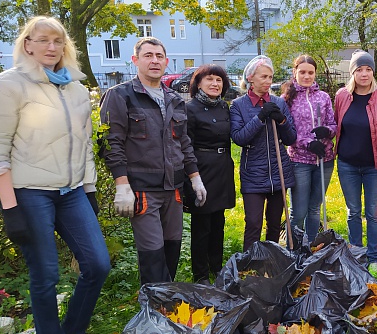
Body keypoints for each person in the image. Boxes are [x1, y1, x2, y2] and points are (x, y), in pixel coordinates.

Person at [0, 16, 111, 334]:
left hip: (72, 193)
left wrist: (90, 187)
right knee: (46, 273)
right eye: (43, 40)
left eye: (58, 41)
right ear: (27, 45)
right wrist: (10, 207)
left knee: (97, 263)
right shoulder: (8, 86)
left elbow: (83, 144)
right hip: (30, 193)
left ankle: (75, 330)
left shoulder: (76, 89)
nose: (52, 47)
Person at [99, 37, 206, 285]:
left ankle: (165, 301)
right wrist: (121, 184)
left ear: (166, 62)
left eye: (159, 56)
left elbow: (184, 142)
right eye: (148, 55)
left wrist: (195, 178)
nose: (154, 61)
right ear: (135, 60)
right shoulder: (120, 96)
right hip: (142, 189)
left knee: (172, 247)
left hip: (174, 189)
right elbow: (110, 142)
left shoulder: (175, 99)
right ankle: (152, 308)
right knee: (152, 251)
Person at [334, 50, 377, 277]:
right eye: (359, 69)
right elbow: (335, 125)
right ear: (352, 72)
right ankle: (356, 253)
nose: (364, 73)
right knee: (353, 212)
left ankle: (373, 258)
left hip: (373, 167)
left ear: (373, 72)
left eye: (368, 69)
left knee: (372, 213)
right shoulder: (342, 96)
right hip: (347, 165)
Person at [230, 55, 297, 251]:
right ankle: (249, 265)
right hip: (253, 173)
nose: (268, 81)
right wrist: (260, 117)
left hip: (278, 171)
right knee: (253, 223)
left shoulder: (279, 103)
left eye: (270, 77)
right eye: (263, 77)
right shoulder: (238, 106)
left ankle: (271, 262)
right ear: (251, 78)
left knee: (275, 223)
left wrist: (282, 120)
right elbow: (239, 138)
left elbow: (291, 138)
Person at [183, 64, 236, 284]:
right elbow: (186, 144)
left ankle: (217, 267)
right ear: (198, 83)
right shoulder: (190, 108)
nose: (215, 84)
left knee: (218, 222)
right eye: (210, 80)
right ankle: (201, 274)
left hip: (222, 166)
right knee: (202, 224)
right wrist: (192, 175)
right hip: (201, 168)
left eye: (219, 80)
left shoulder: (224, 107)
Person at [282, 55, 336, 242]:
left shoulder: (323, 97)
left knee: (314, 209)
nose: (306, 76)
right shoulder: (287, 99)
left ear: (315, 74)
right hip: (299, 161)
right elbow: (287, 131)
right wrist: (307, 142)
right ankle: (295, 248)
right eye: (302, 72)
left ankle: (312, 247)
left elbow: (333, 124)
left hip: (325, 159)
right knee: (298, 211)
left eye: (310, 72)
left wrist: (327, 131)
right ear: (295, 72)